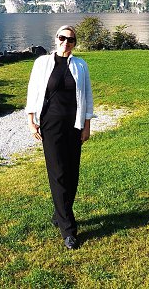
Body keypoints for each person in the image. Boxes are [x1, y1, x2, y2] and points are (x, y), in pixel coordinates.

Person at [26, 25, 94, 249]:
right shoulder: (42, 63)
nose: (66, 42)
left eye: (71, 39)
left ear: (75, 43)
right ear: (56, 39)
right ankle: (68, 229)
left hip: (74, 125)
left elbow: (87, 97)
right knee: (58, 174)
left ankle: (59, 213)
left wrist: (86, 126)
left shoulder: (80, 65)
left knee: (72, 174)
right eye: (62, 38)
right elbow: (33, 91)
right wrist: (31, 120)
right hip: (51, 125)